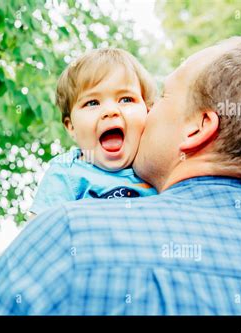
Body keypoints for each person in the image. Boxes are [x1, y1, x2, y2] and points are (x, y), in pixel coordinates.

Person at [0, 36, 241, 315]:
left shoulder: (66, 238)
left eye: (160, 98)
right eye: (92, 103)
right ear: (70, 125)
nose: (120, 112)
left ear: (198, 128)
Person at [30, 48, 157, 215]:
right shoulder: (67, 172)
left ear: (148, 112)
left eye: (126, 99)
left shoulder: (157, 165)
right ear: (71, 127)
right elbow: (38, 233)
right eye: (92, 103)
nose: (110, 111)